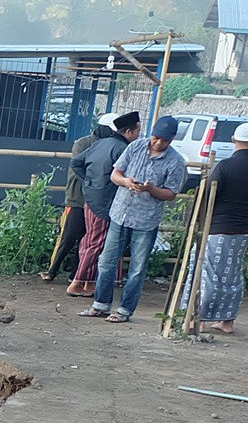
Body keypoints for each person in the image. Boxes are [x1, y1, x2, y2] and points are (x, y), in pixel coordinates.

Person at [82, 114, 186, 323]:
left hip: (146, 220)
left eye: (164, 140)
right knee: (106, 261)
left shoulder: (175, 162)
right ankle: (100, 304)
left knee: (137, 269)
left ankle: (124, 310)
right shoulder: (135, 146)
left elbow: (171, 194)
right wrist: (127, 182)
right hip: (121, 213)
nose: (158, 143)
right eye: (156, 137)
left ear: (172, 139)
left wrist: (150, 189)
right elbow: (115, 174)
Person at [194, 122, 248, 332]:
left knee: (210, 273)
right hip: (242, 228)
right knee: (232, 274)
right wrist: (247, 213)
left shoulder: (223, 167)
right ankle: (227, 321)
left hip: (217, 227)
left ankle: (201, 318)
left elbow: (207, 197)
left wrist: (202, 222)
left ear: (233, 141)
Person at [68, 111, 138, 297]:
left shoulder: (100, 144)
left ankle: (87, 283)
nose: (139, 135)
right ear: (129, 131)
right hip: (105, 200)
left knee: (90, 240)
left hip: (91, 197)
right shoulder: (122, 149)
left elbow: (76, 163)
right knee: (96, 242)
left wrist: (88, 182)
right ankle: (77, 282)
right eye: (138, 131)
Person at [40, 116, 103, 285]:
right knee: (69, 235)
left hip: (94, 199)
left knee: (86, 238)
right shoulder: (83, 143)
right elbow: (79, 166)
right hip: (77, 197)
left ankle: (75, 275)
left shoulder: (103, 144)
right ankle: (52, 270)